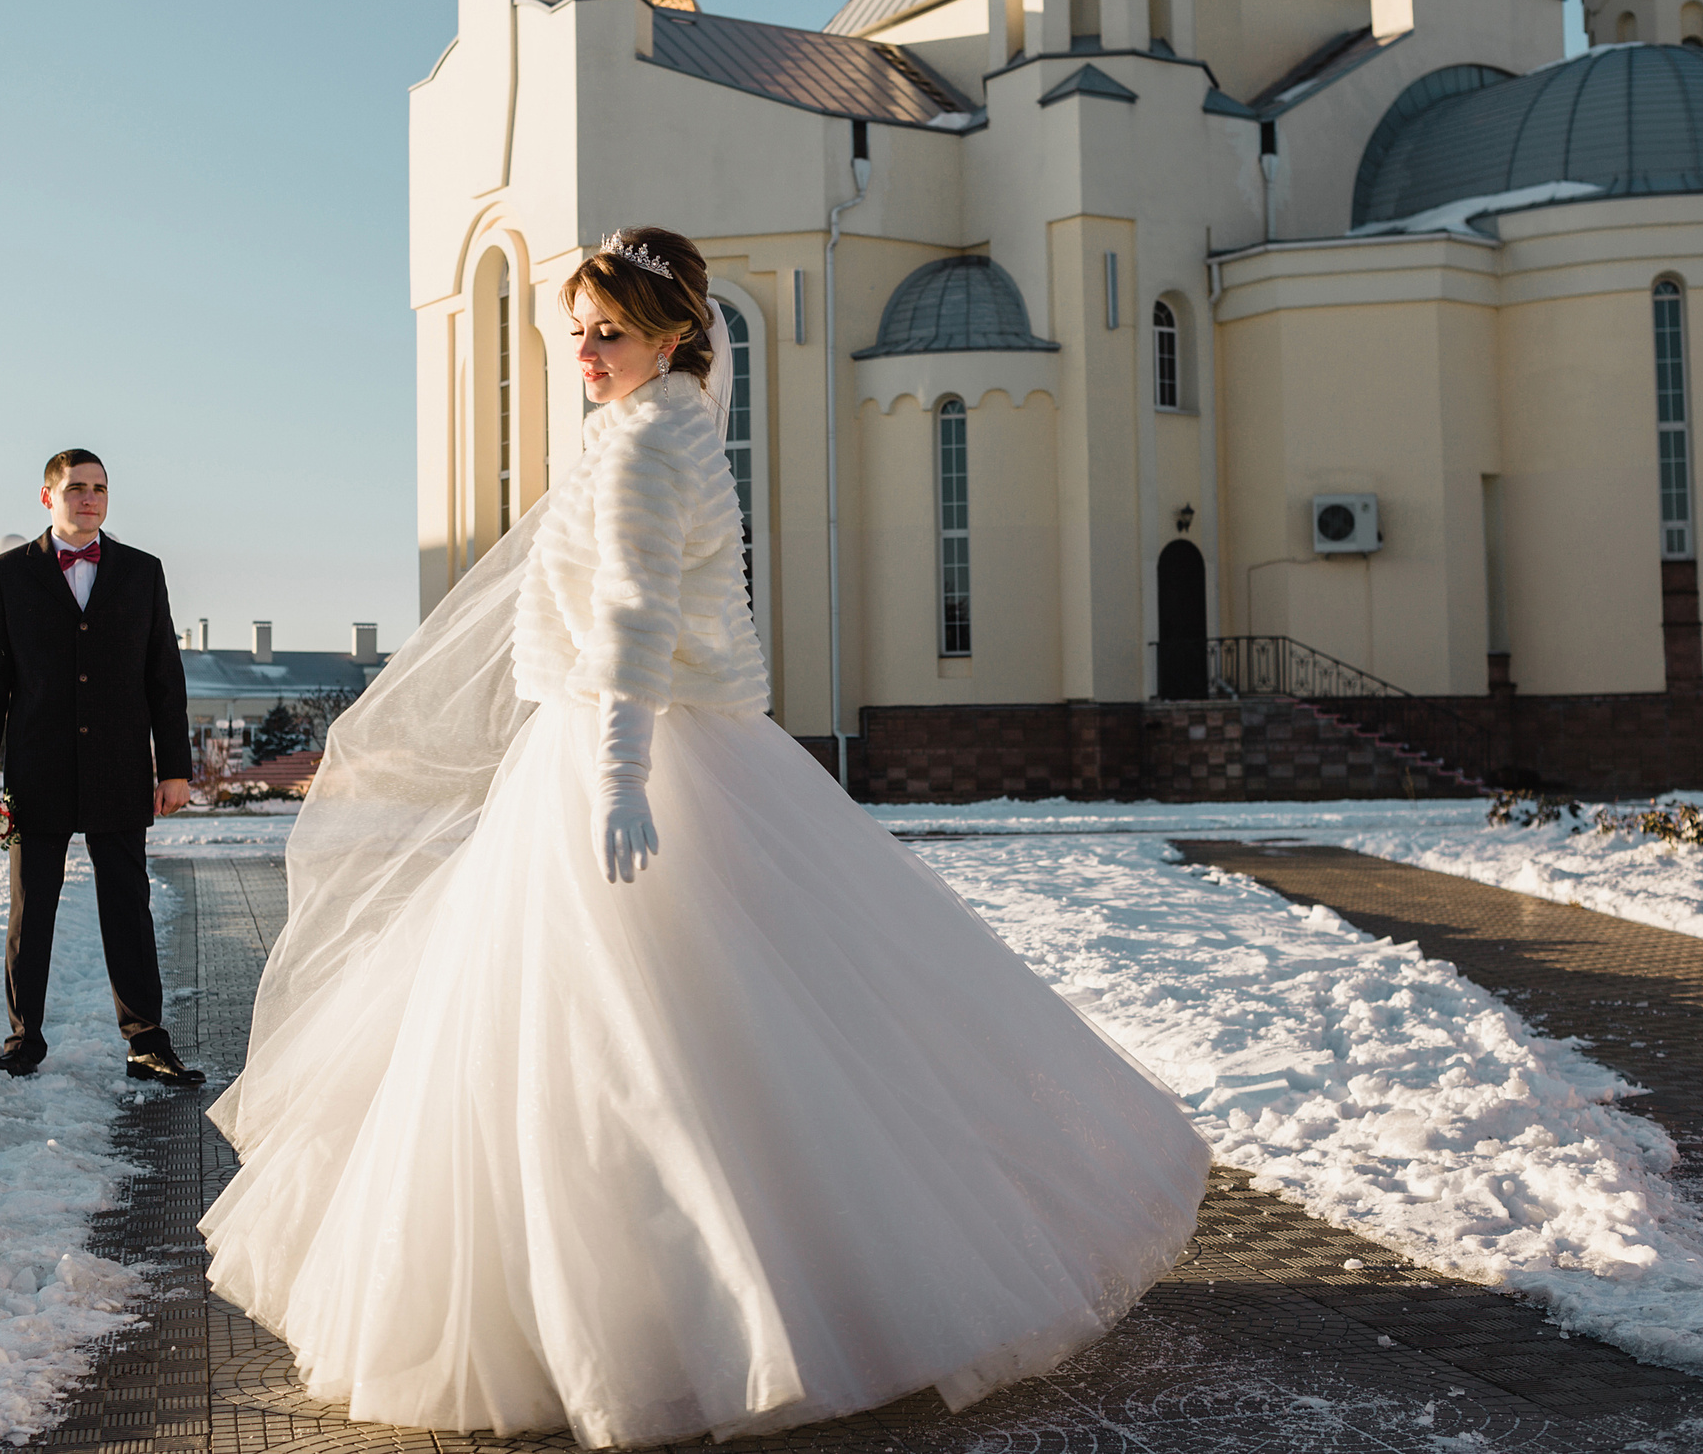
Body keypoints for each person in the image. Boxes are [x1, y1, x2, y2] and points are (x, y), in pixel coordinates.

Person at [198, 229, 1208, 1447]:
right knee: (701, 1027)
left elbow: (633, 623)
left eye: (608, 331)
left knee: (641, 1033)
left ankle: (694, 1321)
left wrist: (617, 781)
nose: (584, 351)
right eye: (574, 330)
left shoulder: (644, 452)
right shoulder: (665, 426)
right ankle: (763, 1291)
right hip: (658, 749)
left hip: (627, 755)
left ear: (671, 337)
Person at [0, 448, 204, 1087]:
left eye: (99, 489)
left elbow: (164, 679)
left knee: (128, 906)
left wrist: (173, 768)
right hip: (36, 774)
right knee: (30, 909)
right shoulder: (7, 575)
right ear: (48, 496)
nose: (89, 499)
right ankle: (23, 1040)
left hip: (119, 769)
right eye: (76, 489)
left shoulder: (142, 573)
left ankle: (147, 1042)